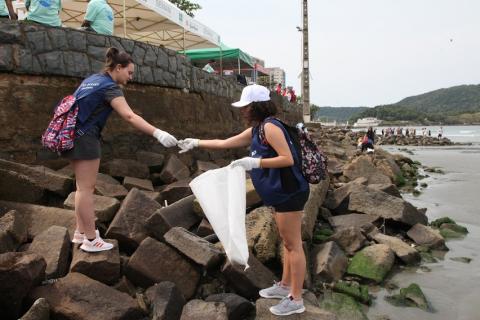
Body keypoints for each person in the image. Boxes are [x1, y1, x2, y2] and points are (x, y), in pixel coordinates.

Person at [178, 84, 309, 316]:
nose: (243, 111)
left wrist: (254, 162)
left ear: (256, 106)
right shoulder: (257, 130)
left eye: (246, 106)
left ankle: (296, 298)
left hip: (290, 191)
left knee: (292, 244)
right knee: (286, 241)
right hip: (280, 192)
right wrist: (195, 142)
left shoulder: (271, 127)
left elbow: (287, 159)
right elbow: (224, 143)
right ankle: (285, 285)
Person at [62, 47, 178, 252]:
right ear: (117, 68)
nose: (131, 77)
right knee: (85, 190)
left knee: (81, 187)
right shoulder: (109, 87)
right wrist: (158, 133)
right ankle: (90, 239)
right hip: (85, 139)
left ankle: (81, 233)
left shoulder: (91, 80)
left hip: (70, 135)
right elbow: (130, 116)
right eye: (129, 72)